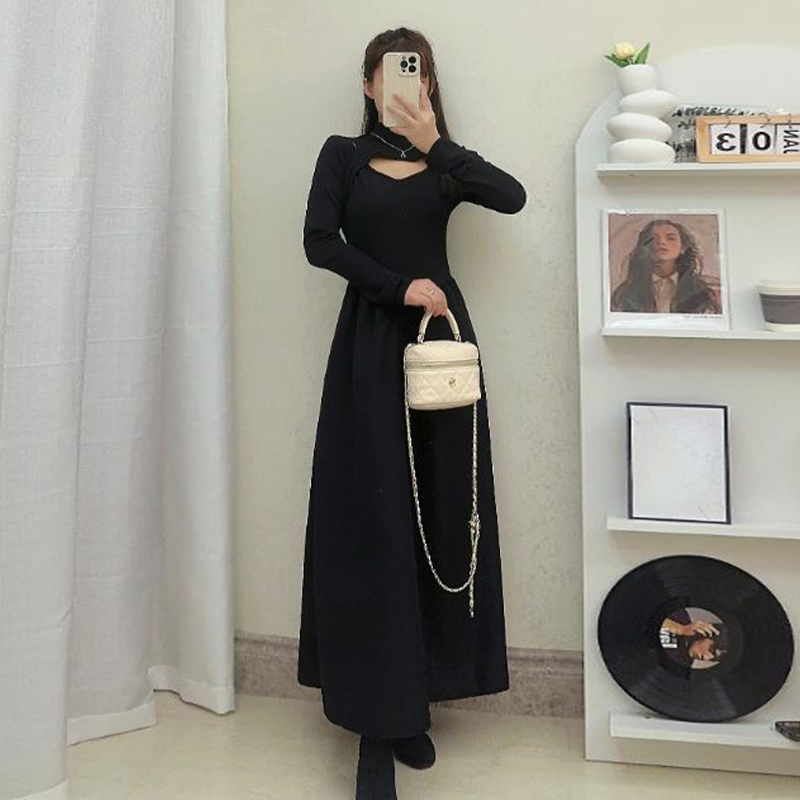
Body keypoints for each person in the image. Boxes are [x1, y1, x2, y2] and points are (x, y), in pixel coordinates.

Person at [296, 26, 526, 800]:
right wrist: (398, 287)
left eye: (418, 73)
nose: (404, 83)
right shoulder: (342, 155)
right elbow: (318, 241)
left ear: (429, 85)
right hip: (371, 344)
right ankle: (376, 724)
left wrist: (436, 143)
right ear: (368, 85)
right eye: (392, 73)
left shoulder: (447, 163)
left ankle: (415, 702)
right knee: (373, 523)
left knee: (441, 515)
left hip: (441, 351)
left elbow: (512, 196)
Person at [610, 218, 722, 314]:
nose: (661, 242)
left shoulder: (703, 291)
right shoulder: (625, 294)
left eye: (670, 238)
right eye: (652, 239)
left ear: (683, 247)